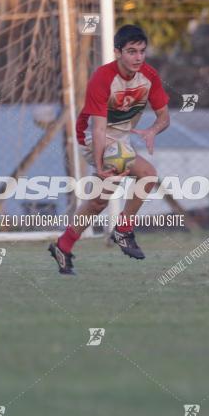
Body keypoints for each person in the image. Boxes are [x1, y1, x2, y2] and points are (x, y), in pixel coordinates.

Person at [49, 24, 170, 275]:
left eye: (142, 51)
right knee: (114, 191)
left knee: (100, 201)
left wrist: (152, 130)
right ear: (117, 52)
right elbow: (98, 129)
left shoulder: (150, 76)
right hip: (92, 138)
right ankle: (121, 232)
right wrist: (102, 164)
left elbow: (164, 117)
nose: (138, 57)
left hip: (121, 140)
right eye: (131, 51)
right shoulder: (103, 78)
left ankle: (66, 244)